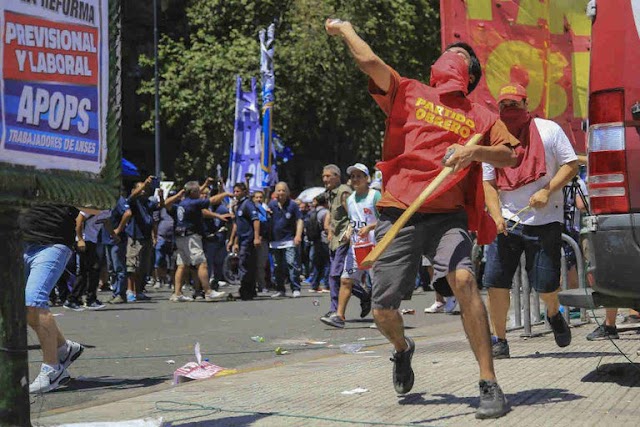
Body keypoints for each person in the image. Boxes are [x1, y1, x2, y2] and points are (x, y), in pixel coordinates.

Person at [325, 18, 520, 419]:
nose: (451, 54)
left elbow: (510, 155)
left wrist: (474, 153)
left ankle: (489, 382)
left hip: (448, 216)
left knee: (464, 279)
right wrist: (345, 29)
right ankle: (402, 349)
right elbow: (369, 62)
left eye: (461, 54)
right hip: (400, 214)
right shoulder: (409, 91)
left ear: (469, 74)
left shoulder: (482, 116)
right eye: (448, 51)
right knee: (382, 309)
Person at [482, 83, 578, 359]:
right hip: (507, 223)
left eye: (514, 104)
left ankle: (553, 312)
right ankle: (499, 339)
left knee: (546, 286)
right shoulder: (494, 138)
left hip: (546, 220)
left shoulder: (549, 130)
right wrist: (496, 216)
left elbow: (571, 165)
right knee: (495, 283)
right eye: (504, 105)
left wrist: (547, 190)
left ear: (526, 104)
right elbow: (488, 183)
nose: (509, 110)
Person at [21, 205, 86, 393]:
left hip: (53, 243)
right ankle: (63, 349)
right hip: (21, 241)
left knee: (33, 301)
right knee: (18, 305)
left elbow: (99, 205)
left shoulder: (74, 175)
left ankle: (52, 369)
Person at [321, 163, 377, 328]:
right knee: (346, 280)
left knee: (377, 284)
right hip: (357, 246)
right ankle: (339, 316)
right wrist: (348, 231)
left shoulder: (375, 196)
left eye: (359, 176)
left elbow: (386, 219)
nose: (355, 179)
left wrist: (370, 227)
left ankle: (380, 317)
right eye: (353, 176)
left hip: (375, 245)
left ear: (367, 179)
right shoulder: (351, 199)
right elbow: (353, 221)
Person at [164, 179, 230, 302]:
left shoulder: (182, 204)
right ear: (193, 192)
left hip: (180, 236)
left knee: (181, 265)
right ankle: (208, 292)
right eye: (198, 191)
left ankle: (177, 293)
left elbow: (166, 204)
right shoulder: (193, 203)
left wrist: (178, 195)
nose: (200, 193)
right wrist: (226, 194)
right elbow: (212, 200)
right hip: (191, 237)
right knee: (202, 263)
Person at [63, 209, 111, 310]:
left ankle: (87, 298)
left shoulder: (107, 210)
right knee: (89, 269)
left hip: (92, 240)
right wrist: (80, 239)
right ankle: (76, 299)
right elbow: (79, 221)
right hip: (84, 240)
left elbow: (106, 221)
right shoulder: (93, 208)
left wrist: (113, 234)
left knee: (91, 270)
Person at [125, 176, 159, 302]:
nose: (144, 190)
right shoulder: (134, 201)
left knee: (143, 267)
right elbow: (132, 197)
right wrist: (144, 184)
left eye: (145, 188)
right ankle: (130, 291)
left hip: (146, 237)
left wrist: (161, 196)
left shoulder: (147, 202)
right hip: (135, 236)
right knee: (132, 266)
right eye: (140, 188)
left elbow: (159, 208)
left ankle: (139, 291)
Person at [268, 182, 304, 298]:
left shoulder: (292, 205)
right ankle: (280, 289)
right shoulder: (271, 205)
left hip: (289, 240)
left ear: (287, 192)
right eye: (279, 190)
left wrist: (298, 235)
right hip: (274, 241)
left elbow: (300, 220)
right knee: (277, 266)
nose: (281, 193)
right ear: (275, 192)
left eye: (283, 190)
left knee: (291, 264)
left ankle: (295, 288)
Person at [227, 182, 261, 300]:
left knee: (244, 265)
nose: (236, 193)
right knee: (246, 264)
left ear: (244, 192)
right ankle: (249, 290)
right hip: (241, 239)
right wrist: (234, 241)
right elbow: (237, 226)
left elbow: (255, 221)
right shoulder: (239, 205)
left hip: (248, 239)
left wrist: (256, 237)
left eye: (238, 191)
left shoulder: (248, 204)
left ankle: (246, 290)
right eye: (234, 191)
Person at [104, 191, 133, 304]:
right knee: (111, 268)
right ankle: (115, 292)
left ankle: (121, 294)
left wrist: (118, 229)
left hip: (117, 239)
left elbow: (128, 213)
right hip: (107, 238)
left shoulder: (118, 199)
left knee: (119, 267)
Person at [308, 194, 331, 292]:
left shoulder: (313, 212)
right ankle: (326, 285)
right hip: (324, 239)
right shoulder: (326, 212)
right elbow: (326, 227)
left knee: (317, 263)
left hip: (315, 239)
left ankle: (314, 285)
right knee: (327, 262)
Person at [252, 190, 271, 293]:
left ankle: (262, 285)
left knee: (261, 264)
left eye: (260, 197)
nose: (258, 199)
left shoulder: (265, 210)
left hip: (263, 240)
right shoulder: (250, 209)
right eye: (256, 197)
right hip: (253, 240)